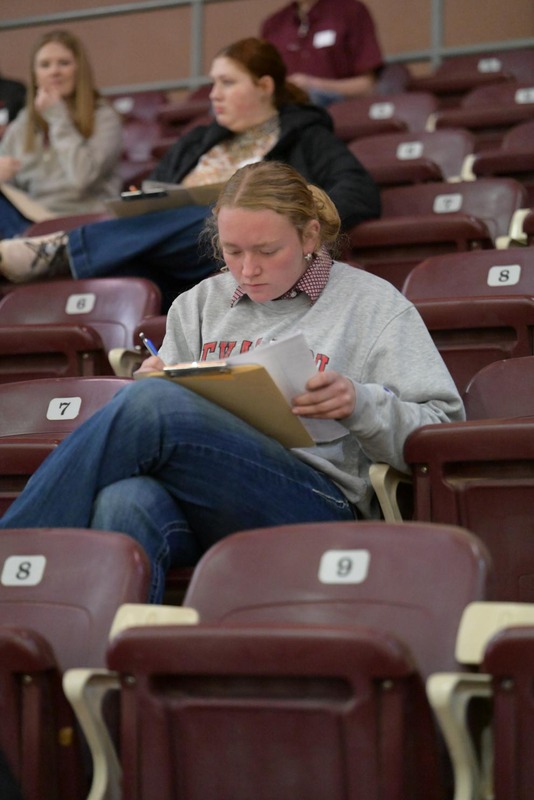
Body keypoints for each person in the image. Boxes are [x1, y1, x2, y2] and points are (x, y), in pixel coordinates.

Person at [0, 160, 464, 604]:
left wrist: (360, 403)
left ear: (309, 236)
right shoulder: (199, 303)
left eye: (267, 251)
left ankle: (12, 553)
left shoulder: (371, 304)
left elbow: (441, 425)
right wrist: (154, 379)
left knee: (154, 405)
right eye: (232, 251)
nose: (247, 269)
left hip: (318, 500)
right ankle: (106, 673)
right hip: (208, 495)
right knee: (125, 502)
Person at [0, 36, 380, 311]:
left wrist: (289, 220)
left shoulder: (306, 137)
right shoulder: (199, 139)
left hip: (236, 252)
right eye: (213, 82)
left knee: (222, 212)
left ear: (265, 87)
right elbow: (153, 196)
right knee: (123, 267)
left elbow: (358, 190)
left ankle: (56, 251)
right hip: (173, 258)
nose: (213, 94)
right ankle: (119, 346)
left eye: (227, 83)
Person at [0, 29, 123, 238]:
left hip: (83, 224)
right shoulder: (24, 123)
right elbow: (11, 188)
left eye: (63, 63)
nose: (54, 71)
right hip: (31, 223)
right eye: (45, 65)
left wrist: (57, 117)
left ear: (79, 69)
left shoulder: (104, 117)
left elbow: (82, 177)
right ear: (35, 75)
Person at [260, 0, 384, 106]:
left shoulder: (351, 12)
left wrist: (314, 85)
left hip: (340, 116)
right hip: (288, 118)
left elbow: (367, 87)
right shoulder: (273, 26)